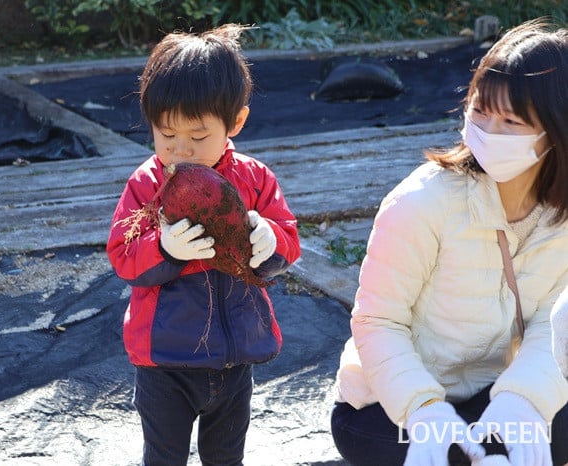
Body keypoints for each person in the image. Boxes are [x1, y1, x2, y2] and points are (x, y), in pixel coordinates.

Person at [330, 18, 568, 466]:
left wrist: (523, 400)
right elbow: (377, 322)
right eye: (480, 110)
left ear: (555, 133)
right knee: (458, 450)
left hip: (489, 394)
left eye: (511, 120)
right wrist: (423, 409)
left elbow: (552, 326)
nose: (487, 131)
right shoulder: (420, 203)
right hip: (389, 409)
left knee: (536, 427)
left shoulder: (561, 217)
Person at [106, 24, 301, 466]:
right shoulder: (146, 183)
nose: (180, 151)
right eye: (166, 136)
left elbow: (288, 240)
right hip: (165, 362)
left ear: (235, 123)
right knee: (164, 457)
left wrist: (270, 242)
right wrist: (166, 248)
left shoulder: (255, 179)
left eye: (197, 138)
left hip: (236, 360)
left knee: (226, 458)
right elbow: (122, 253)